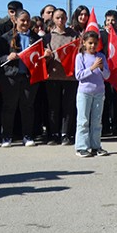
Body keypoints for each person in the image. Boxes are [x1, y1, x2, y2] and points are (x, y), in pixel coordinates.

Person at [0, 9, 42, 147]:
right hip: (10, 77)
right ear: (15, 20)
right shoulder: (5, 37)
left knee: (27, 107)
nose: (25, 23)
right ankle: (6, 136)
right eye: (22, 20)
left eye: (28, 20)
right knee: (9, 107)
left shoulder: (36, 38)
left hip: (29, 77)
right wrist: (7, 57)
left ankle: (27, 136)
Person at [42, 8, 79, 145]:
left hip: (70, 77)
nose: (60, 20)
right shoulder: (47, 37)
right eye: (57, 17)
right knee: (53, 107)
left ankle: (65, 133)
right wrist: (47, 56)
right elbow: (41, 58)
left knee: (68, 107)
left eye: (63, 17)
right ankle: (53, 133)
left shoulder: (74, 36)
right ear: (53, 19)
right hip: (52, 76)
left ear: (67, 18)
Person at [74, 31, 110, 157]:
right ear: (84, 43)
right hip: (85, 93)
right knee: (83, 120)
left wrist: (101, 68)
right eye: (90, 43)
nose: (92, 46)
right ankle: (81, 147)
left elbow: (107, 75)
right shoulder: (80, 57)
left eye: (95, 43)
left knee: (96, 121)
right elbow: (78, 75)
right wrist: (92, 67)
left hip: (99, 92)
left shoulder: (101, 56)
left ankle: (96, 146)